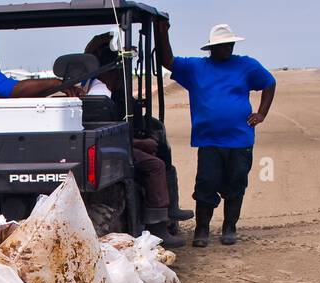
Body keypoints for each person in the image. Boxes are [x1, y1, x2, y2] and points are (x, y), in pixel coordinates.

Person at [155, 21, 276, 247]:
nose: (227, 48)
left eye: (230, 44)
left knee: (236, 183)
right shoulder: (195, 68)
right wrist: (163, 32)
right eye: (222, 45)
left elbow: (270, 83)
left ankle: (229, 227)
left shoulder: (247, 65)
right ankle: (202, 230)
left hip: (240, 139)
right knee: (206, 184)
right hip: (209, 140)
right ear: (211, 48)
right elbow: (167, 61)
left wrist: (261, 114)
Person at [83, 33, 189, 248]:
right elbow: (109, 136)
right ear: (110, 69)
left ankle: (169, 208)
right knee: (154, 164)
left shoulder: (86, 83)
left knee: (155, 136)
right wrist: (140, 143)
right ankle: (158, 225)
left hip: (99, 145)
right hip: (108, 150)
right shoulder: (101, 93)